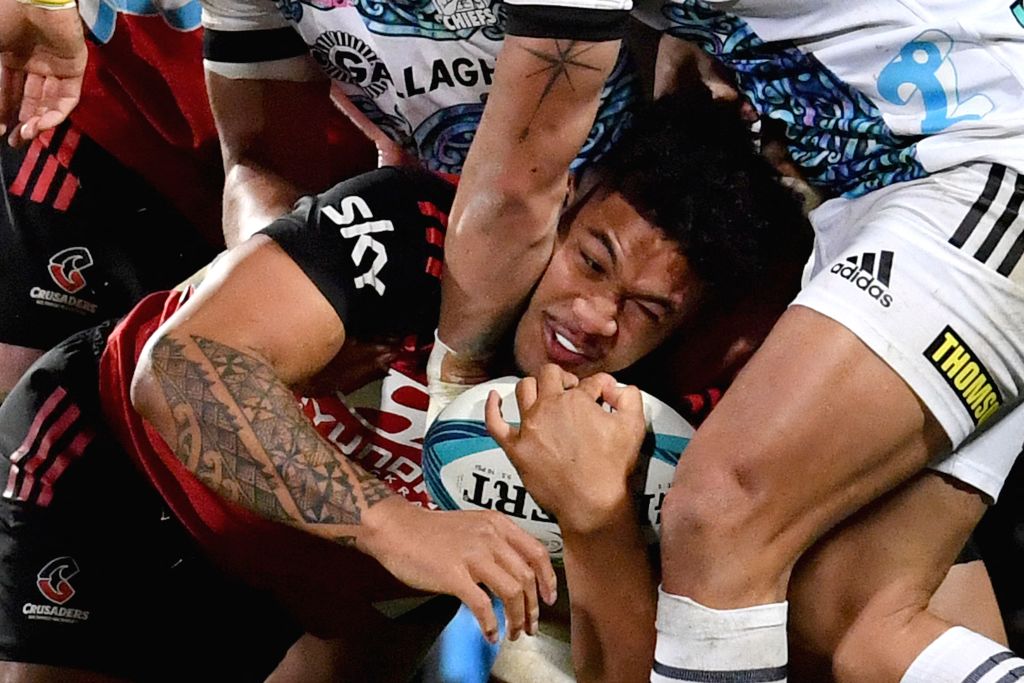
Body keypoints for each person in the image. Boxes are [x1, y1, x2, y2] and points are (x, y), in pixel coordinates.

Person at [0, 89, 811, 681]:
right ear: (560, 211)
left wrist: (598, 521)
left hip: (324, 600)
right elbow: (176, 370)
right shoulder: (416, 231)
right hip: (113, 476)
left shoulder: (664, 422)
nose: (594, 316)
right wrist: (392, 524)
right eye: (590, 261)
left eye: (646, 310)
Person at [432, 1, 1024, 681]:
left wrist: (452, 380)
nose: (596, 317)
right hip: (899, 186)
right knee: (850, 621)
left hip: (979, 158)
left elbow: (516, 183)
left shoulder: (726, 341)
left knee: (721, 508)